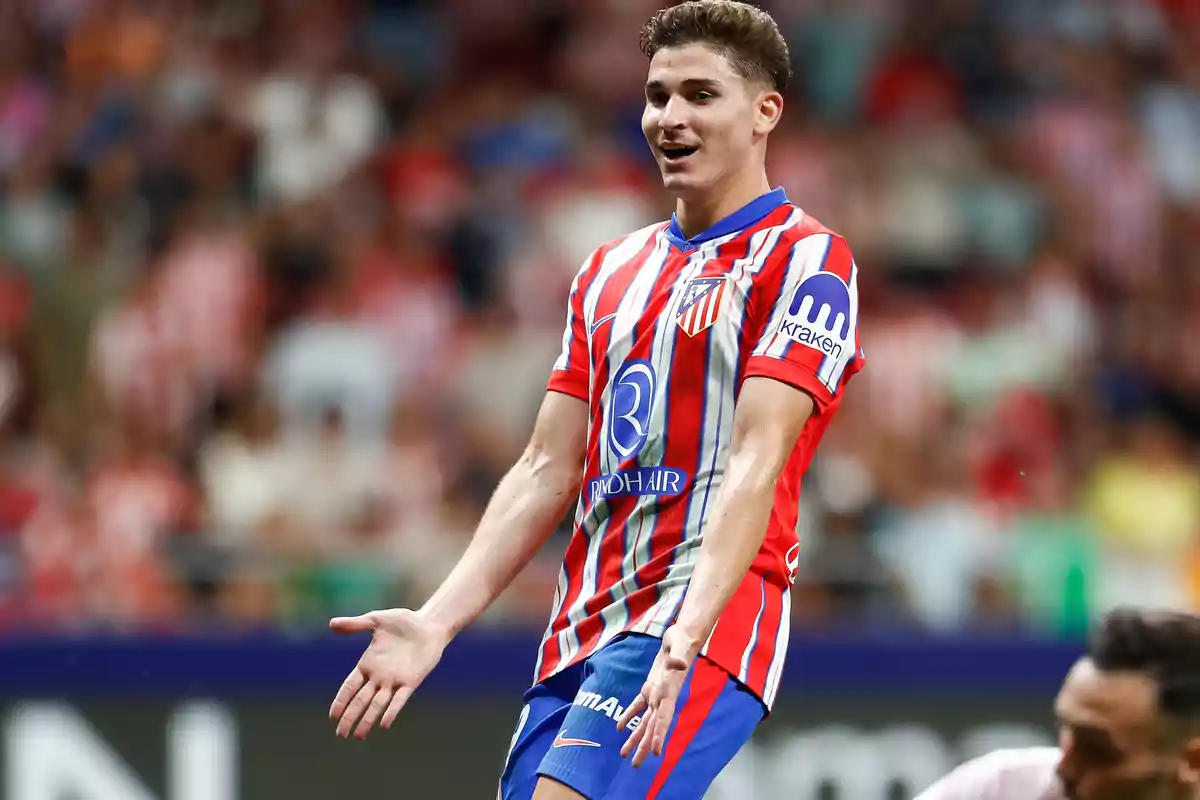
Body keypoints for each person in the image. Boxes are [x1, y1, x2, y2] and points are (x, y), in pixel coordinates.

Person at [327, 2, 864, 797]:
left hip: (699, 618)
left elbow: (757, 454)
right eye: (657, 96)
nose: (670, 118)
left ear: (764, 112)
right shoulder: (610, 269)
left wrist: (687, 632)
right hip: (581, 629)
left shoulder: (805, 259)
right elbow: (547, 465)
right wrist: (437, 619)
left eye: (700, 95)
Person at [915, 607, 1200, 800]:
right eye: (1067, 731)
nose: (1064, 768)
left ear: (1192, 762)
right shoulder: (1001, 789)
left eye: (1097, 752)